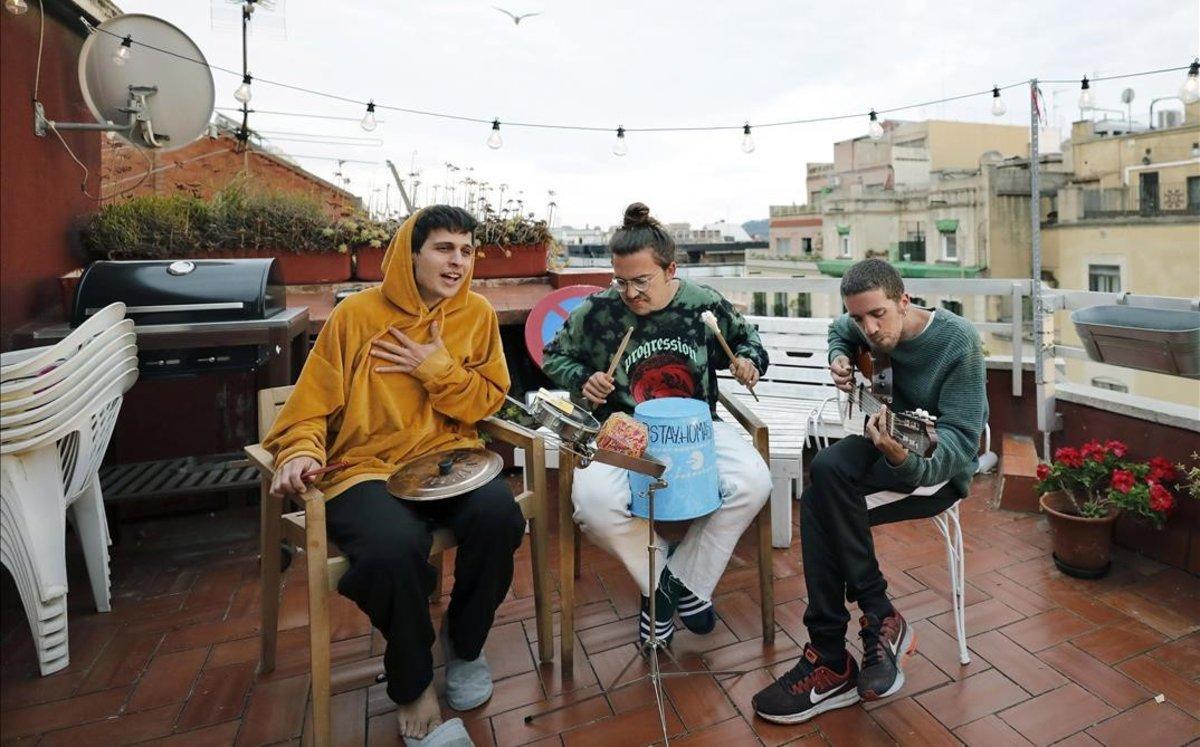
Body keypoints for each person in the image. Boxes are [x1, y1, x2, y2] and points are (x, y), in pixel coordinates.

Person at [264, 206, 521, 745]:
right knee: (391, 547)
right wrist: (299, 449)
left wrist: (437, 368)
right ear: (411, 253)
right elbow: (310, 406)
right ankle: (413, 684)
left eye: (467, 250)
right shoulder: (357, 315)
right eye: (444, 248)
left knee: (500, 516)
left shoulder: (474, 314)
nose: (457, 261)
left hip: (446, 458)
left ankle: (466, 644)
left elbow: (488, 401)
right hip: (364, 468)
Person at [752, 258, 987, 724]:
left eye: (878, 314)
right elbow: (839, 330)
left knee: (823, 502)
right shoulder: (861, 322)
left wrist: (905, 458)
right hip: (887, 446)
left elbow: (961, 445)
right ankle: (878, 618)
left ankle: (830, 658)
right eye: (861, 317)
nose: (870, 328)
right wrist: (839, 357)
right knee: (826, 470)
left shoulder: (957, 343)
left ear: (905, 300)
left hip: (935, 474)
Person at [542, 202, 773, 647]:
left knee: (753, 483)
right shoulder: (598, 310)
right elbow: (555, 355)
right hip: (623, 429)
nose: (629, 293)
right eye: (621, 281)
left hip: (697, 426)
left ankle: (674, 589)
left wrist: (748, 362)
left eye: (640, 281)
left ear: (670, 269)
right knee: (592, 506)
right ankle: (663, 578)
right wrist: (582, 379)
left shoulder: (702, 305)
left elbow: (748, 340)